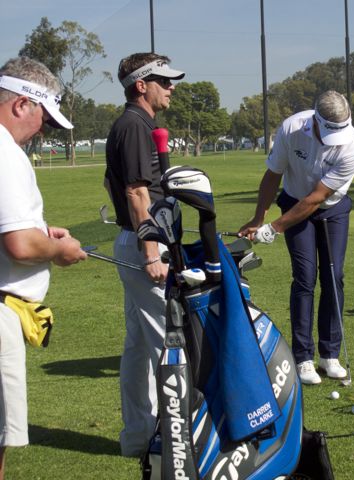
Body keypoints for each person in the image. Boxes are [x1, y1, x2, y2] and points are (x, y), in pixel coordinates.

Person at [238, 90, 354, 385]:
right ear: (315, 120)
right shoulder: (292, 128)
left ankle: (329, 355)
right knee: (305, 277)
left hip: (331, 209)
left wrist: (274, 228)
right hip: (293, 201)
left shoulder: (353, 147)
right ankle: (303, 357)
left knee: (334, 276)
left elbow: (317, 198)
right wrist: (258, 218)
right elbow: (273, 175)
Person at [0, 56, 87, 479]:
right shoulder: (5, 152)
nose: (41, 132)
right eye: (44, 120)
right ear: (21, 104)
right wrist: (58, 250)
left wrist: (40, 232)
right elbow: (19, 245)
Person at [104, 52, 184, 457]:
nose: (171, 88)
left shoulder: (134, 124)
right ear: (141, 85)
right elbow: (137, 193)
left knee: (138, 345)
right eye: (164, 81)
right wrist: (152, 252)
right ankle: (179, 440)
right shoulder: (135, 126)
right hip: (145, 246)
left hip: (135, 241)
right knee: (168, 343)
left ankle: (138, 438)